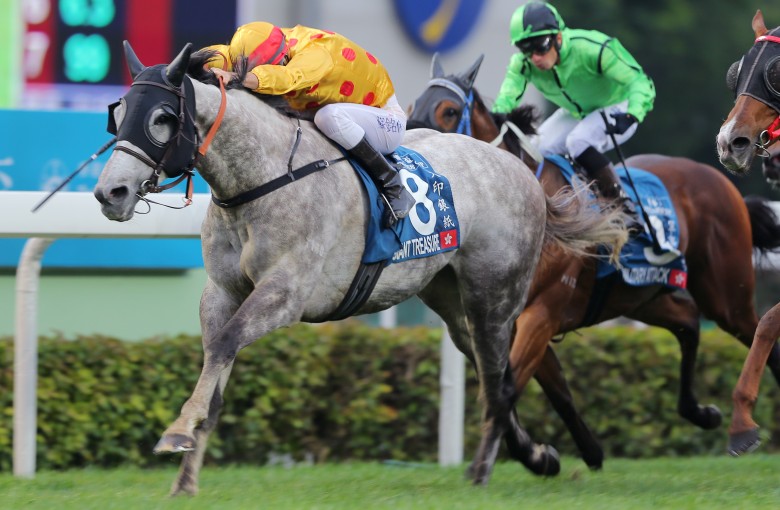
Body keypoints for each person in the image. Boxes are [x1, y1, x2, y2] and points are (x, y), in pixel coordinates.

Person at [199, 21, 415, 227]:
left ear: (283, 57)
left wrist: (238, 77)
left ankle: (392, 183)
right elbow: (217, 57)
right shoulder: (262, 43)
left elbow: (287, 77)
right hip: (332, 110)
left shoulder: (316, 53)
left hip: (385, 120)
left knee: (328, 117)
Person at [493, 2, 655, 224]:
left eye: (539, 46)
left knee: (578, 141)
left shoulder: (591, 48)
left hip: (619, 105)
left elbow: (639, 81)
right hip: (577, 112)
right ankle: (561, 208)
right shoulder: (522, 64)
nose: (534, 58)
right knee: (536, 149)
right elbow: (507, 98)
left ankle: (623, 208)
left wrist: (633, 114)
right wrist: (496, 117)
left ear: (558, 38)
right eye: (525, 49)